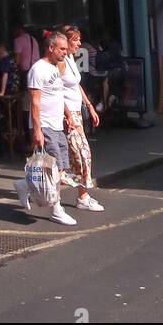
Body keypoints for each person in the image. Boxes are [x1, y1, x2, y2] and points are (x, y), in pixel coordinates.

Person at [21, 30, 77, 226]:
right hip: (45, 125)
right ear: (51, 48)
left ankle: (24, 186)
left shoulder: (55, 68)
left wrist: (68, 115)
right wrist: (37, 130)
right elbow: (35, 102)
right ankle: (56, 209)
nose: (65, 52)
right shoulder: (38, 70)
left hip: (57, 125)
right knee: (56, 170)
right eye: (62, 49)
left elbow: (58, 95)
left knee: (59, 168)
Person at [60, 26, 103, 211]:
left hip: (77, 113)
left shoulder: (70, 59)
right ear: (66, 42)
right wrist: (67, 115)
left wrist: (89, 106)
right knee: (81, 154)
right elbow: (57, 91)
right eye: (75, 40)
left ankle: (28, 185)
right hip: (68, 116)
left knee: (64, 158)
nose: (79, 44)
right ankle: (83, 197)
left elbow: (76, 85)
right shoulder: (59, 63)